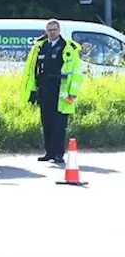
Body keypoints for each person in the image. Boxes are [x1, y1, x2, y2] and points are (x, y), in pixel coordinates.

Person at [22, 18, 84, 164]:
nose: (52, 32)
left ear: (59, 31)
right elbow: (32, 70)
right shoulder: (41, 47)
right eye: (49, 30)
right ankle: (49, 152)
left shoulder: (68, 48)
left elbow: (76, 72)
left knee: (59, 125)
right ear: (46, 31)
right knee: (47, 122)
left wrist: (72, 93)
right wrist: (32, 90)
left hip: (61, 91)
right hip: (44, 90)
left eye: (54, 29)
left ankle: (58, 153)